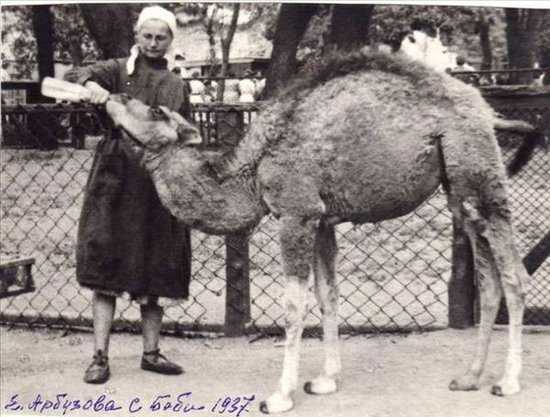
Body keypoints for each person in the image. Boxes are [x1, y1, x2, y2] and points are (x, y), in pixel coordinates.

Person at [63, 5, 192, 384]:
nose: (153, 43)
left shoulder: (174, 83)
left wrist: (117, 106)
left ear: (170, 40)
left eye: (161, 37)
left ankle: (151, 352)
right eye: (147, 36)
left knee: (157, 260)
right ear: (137, 36)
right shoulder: (118, 69)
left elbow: (171, 130)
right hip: (114, 177)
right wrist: (94, 89)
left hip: (155, 178)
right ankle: (99, 356)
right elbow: (75, 73)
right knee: (107, 259)